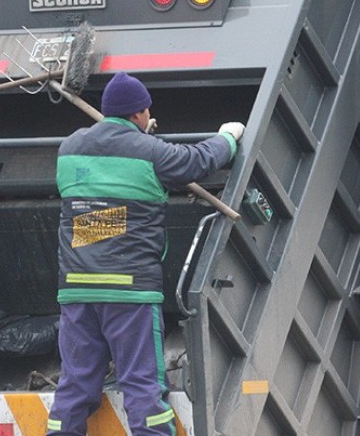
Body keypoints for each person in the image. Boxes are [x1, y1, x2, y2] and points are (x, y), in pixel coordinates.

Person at [47, 72, 244, 435]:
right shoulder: (150, 152)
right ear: (139, 113)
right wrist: (228, 138)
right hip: (129, 292)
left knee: (74, 388)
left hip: (76, 290)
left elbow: (98, 215)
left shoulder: (69, 148)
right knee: (141, 388)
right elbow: (197, 161)